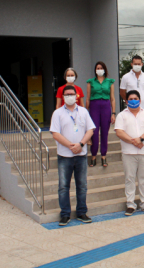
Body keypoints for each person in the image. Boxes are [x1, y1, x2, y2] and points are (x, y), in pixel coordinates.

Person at [50, 85, 95, 226]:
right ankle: (65, 214)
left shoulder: (83, 111)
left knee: (82, 185)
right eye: (67, 94)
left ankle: (81, 212)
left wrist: (80, 145)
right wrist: (70, 146)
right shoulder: (57, 113)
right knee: (64, 186)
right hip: (64, 155)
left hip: (81, 155)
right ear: (63, 97)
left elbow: (90, 130)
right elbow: (55, 133)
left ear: (76, 96)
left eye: (72, 94)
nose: (69, 96)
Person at [114, 90, 144, 216]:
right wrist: (134, 142)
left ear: (139, 100)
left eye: (136, 98)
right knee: (129, 178)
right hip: (128, 152)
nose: (133, 100)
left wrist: (141, 139)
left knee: (143, 179)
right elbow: (119, 132)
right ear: (126, 101)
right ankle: (130, 204)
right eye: (131, 98)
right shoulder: (122, 115)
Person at [86, 62, 116, 168]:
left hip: (106, 106)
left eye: (101, 68)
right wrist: (86, 112)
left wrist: (113, 113)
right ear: (95, 70)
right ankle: (93, 156)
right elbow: (88, 98)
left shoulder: (110, 81)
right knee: (94, 132)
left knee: (105, 132)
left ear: (104, 69)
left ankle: (104, 156)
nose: (99, 69)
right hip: (94, 106)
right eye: (97, 68)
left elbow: (112, 98)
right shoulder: (90, 82)